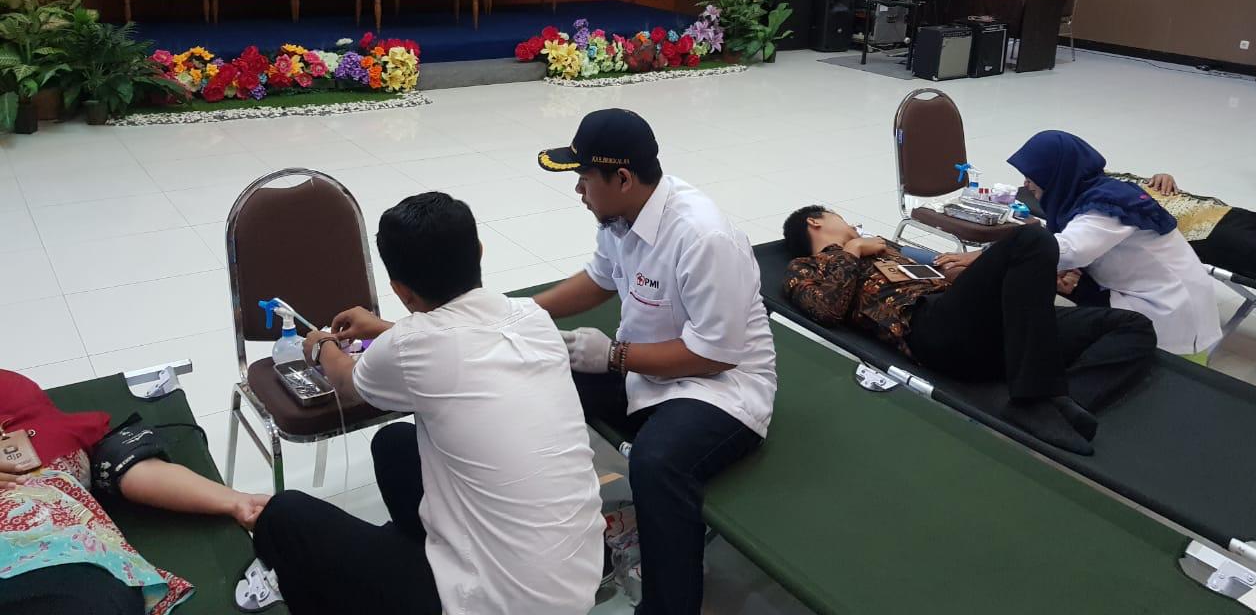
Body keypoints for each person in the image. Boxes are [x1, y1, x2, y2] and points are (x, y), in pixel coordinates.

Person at [250, 192, 604, 615]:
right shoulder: (531, 317)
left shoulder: (409, 345)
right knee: (394, 444)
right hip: (576, 579)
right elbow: (455, 338)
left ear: (400, 290)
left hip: (495, 605)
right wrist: (383, 328)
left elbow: (345, 380)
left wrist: (321, 345)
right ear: (479, 251)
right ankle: (413, 556)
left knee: (284, 516)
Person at [534, 108, 776, 615]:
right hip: (648, 371)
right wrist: (523, 311)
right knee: (540, 376)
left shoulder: (702, 236)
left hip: (723, 390)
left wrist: (613, 356)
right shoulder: (620, 216)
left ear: (622, 178)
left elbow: (713, 356)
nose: (579, 192)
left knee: (657, 463)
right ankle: (563, 542)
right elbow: (599, 279)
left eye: (584, 179)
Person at [781, 208, 1157, 456]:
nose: (849, 222)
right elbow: (826, 310)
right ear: (815, 221)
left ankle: (1060, 402)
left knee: (1133, 326)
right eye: (838, 216)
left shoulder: (884, 248)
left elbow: (943, 276)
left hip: (982, 323)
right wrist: (851, 249)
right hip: (933, 330)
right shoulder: (806, 267)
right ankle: (1035, 397)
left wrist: (1030, 275)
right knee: (1032, 237)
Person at [0, 370, 269, 615]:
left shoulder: (35, 420)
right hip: (75, 579)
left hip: (64, 570)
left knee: (97, 599)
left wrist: (237, 502)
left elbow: (128, 467)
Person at [1009, 131, 1223, 357]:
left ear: (1055, 175)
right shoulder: (1089, 192)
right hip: (1144, 288)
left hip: (1170, 306)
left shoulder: (1106, 206)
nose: (1026, 184)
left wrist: (1006, 244)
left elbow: (1069, 251)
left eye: (1032, 176)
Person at [1107, 171, 1256, 286]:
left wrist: (1162, 177)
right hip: (1205, 234)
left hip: (1223, 211)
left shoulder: (1105, 174)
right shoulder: (1092, 202)